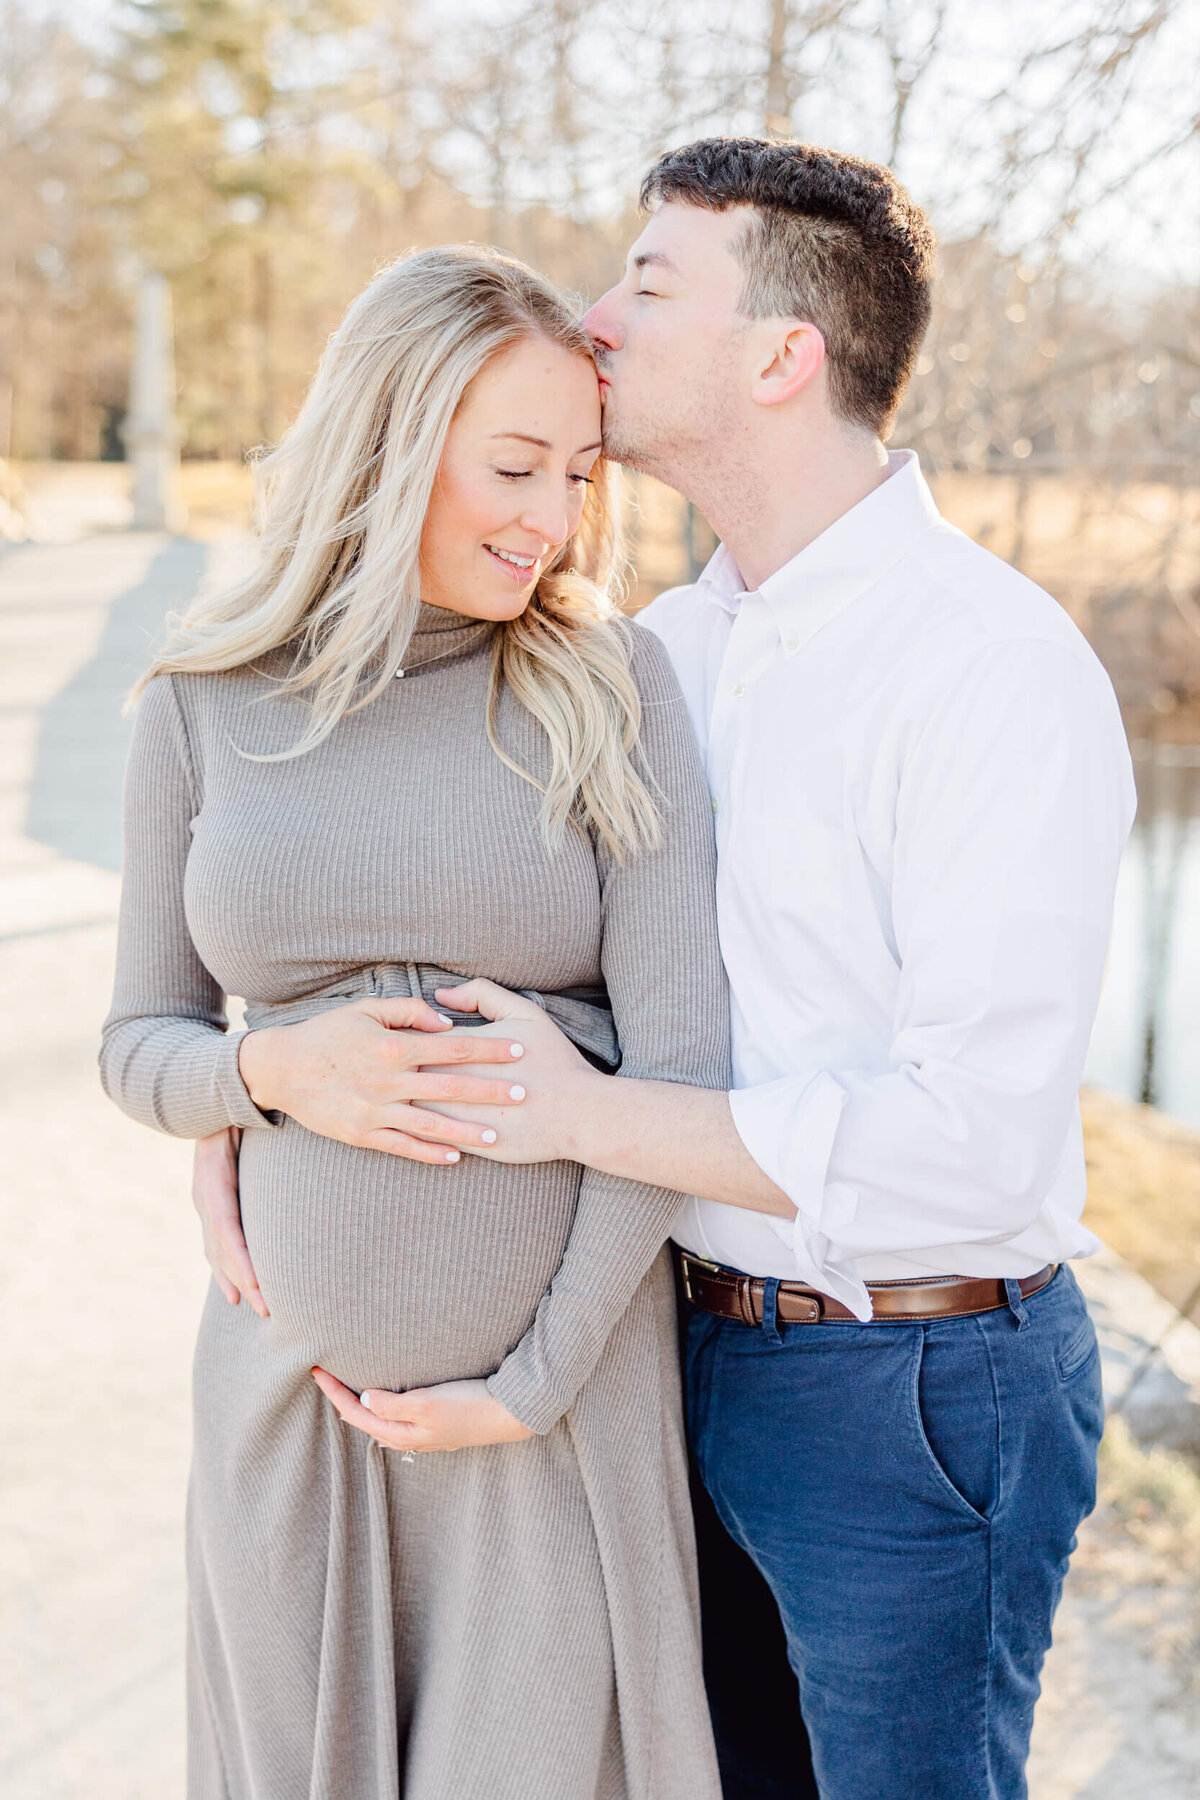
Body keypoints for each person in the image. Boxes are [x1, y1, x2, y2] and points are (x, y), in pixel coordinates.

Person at [197, 140, 1139, 1798]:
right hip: (671, 1364)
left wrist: (586, 1118)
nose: (597, 314)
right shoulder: (659, 654)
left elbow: (970, 1136)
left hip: (906, 1384)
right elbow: (399, 864)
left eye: (652, 280)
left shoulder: (989, 665)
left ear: (784, 356)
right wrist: (256, 1093)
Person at [100, 244, 731, 1800]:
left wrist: (535, 1381)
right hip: (287, 1418)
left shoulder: (612, 682)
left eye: (580, 473)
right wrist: (268, 1071)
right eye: (515, 465)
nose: (555, 516)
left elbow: (683, 1071)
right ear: (387, 444)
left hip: (551, 1428)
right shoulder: (202, 700)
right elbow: (138, 1045)